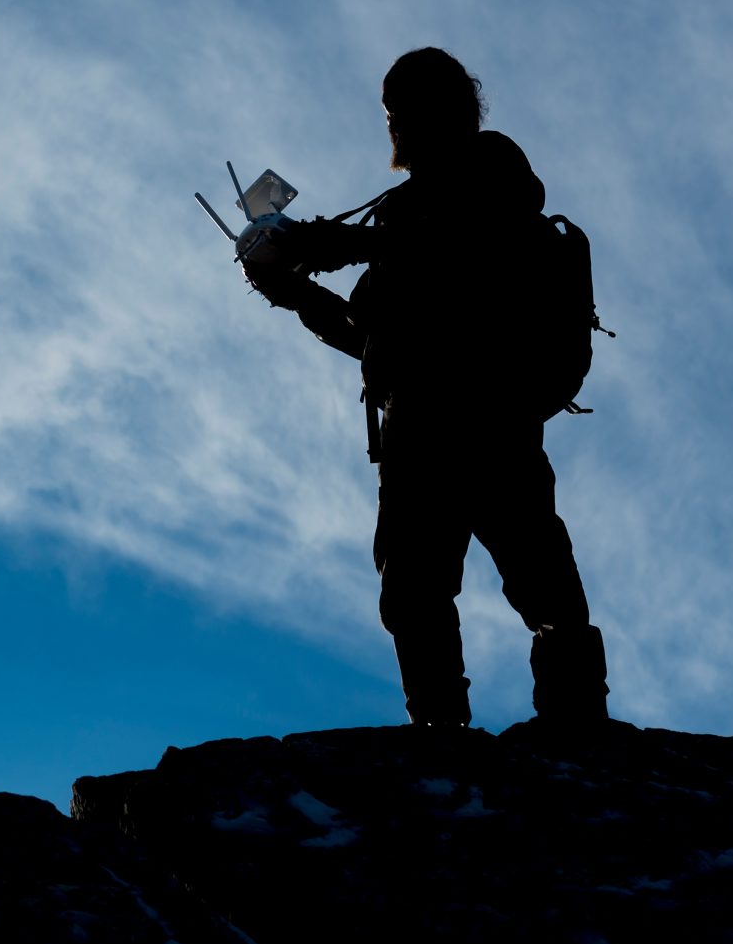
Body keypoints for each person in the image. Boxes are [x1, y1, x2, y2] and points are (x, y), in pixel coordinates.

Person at [238, 47, 610, 729]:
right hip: (426, 425)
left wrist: (321, 245)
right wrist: (288, 289)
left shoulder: (492, 177)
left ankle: (574, 728)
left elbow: (452, 242)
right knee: (419, 588)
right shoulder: (403, 215)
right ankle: (445, 736)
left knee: (535, 580)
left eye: (404, 112)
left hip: (487, 412)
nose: (396, 127)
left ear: (446, 112)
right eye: (392, 113)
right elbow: (367, 331)